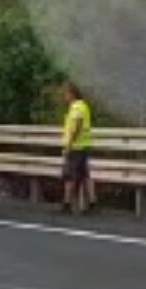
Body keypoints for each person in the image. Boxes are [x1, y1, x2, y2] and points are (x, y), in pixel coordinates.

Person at [60, 83, 95, 213]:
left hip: (76, 147)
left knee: (70, 175)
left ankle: (67, 203)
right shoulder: (84, 106)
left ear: (71, 94)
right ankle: (92, 201)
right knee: (85, 175)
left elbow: (76, 126)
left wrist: (69, 145)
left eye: (65, 94)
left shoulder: (76, 107)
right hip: (84, 145)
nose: (64, 98)